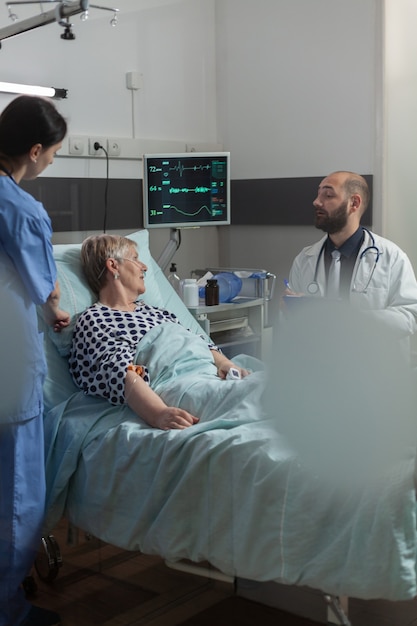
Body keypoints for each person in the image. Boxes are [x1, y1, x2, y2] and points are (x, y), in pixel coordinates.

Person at [0, 96, 70, 626]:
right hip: (10, 369)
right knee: (18, 498)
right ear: (34, 149)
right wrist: (60, 310)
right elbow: (46, 287)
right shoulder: (21, 208)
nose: (53, 161)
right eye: (53, 152)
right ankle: (11, 613)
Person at [69, 234, 250, 430]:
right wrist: (157, 413)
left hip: (211, 375)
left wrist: (225, 363)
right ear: (114, 266)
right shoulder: (97, 319)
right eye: (135, 258)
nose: (144, 267)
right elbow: (121, 372)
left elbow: (197, 340)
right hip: (178, 384)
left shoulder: (154, 311)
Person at [285, 171, 417, 341]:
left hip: (372, 363)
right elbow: (293, 323)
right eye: (318, 194)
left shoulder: (391, 257)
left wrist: (350, 318)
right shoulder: (305, 259)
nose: (316, 202)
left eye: (328, 195)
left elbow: (410, 316)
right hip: (318, 361)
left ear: (354, 203)